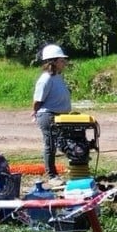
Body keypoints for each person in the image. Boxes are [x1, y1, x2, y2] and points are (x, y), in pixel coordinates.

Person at [32, 44, 72, 186]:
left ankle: (76, 167)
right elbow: (38, 100)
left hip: (61, 116)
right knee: (50, 145)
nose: (64, 63)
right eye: (61, 60)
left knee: (65, 143)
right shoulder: (46, 79)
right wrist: (35, 113)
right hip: (48, 116)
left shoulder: (57, 76)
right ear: (53, 61)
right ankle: (52, 176)